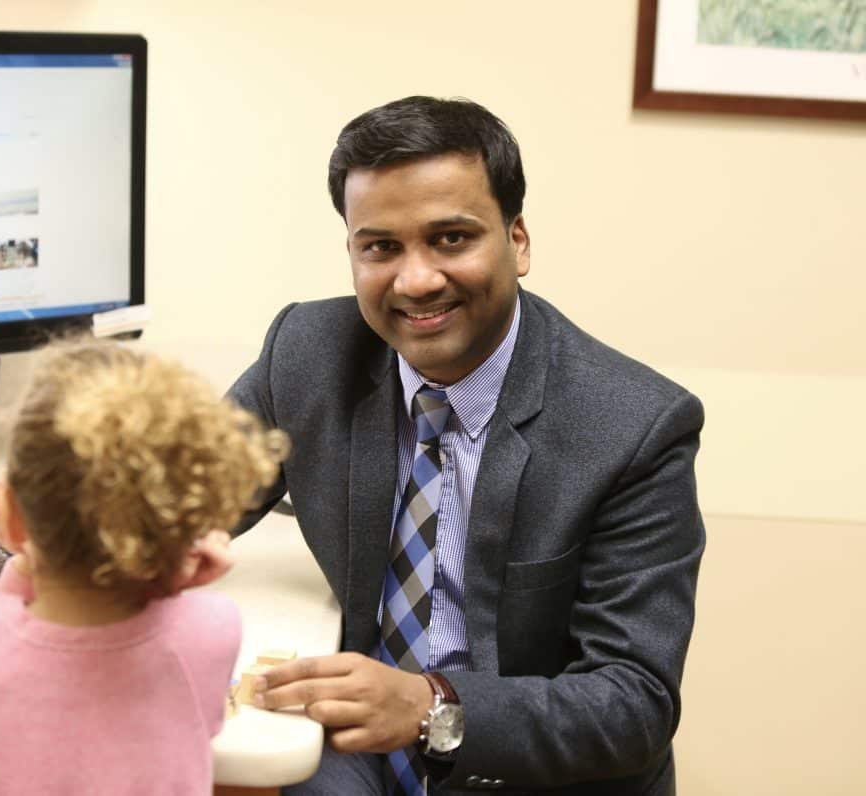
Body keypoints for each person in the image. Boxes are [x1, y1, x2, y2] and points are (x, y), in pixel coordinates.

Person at [228, 96, 705, 795]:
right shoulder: (305, 352)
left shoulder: (635, 425)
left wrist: (430, 708)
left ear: (518, 242)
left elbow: (633, 705)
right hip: (357, 754)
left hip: (527, 772)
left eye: (451, 238)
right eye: (381, 247)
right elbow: (169, 504)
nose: (416, 280)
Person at [0, 339, 288, 795]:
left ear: (16, 516)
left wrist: (19, 547)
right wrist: (168, 575)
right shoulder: (209, 630)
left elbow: (3, 617)